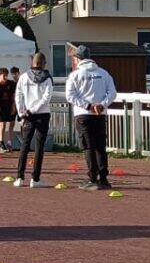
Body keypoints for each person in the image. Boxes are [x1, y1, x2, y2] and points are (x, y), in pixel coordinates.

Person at [65, 45, 116, 190]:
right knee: (100, 147)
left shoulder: (75, 75)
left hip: (83, 115)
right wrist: (101, 105)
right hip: (99, 114)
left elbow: (70, 96)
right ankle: (104, 178)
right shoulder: (103, 73)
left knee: (88, 147)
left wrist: (87, 106)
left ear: (78, 58)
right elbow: (112, 93)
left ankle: (92, 178)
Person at [14, 53, 54, 188]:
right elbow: (46, 97)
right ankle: (35, 179)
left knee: (24, 145)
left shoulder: (24, 77)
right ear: (43, 63)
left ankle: (19, 177)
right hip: (42, 114)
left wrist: (22, 113)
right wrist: (34, 109)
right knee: (39, 146)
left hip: (27, 115)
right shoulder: (47, 78)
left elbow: (18, 95)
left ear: (33, 62)